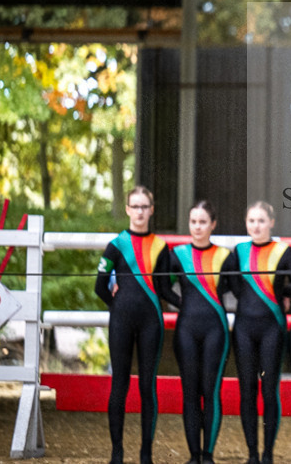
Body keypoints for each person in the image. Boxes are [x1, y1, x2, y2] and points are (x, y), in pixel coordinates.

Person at [95, 186, 179, 464]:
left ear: (151, 210)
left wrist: (189, 302)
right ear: (128, 209)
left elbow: (165, 290)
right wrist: (117, 305)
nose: (140, 211)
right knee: (119, 384)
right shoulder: (116, 245)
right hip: (121, 321)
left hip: (150, 323)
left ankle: (146, 455)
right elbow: (99, 286)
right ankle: (116, 453)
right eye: (136, 206)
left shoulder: (161, 247)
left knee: (147, 386)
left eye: (145, 206)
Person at [222, 201, 291, 464]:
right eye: (251, 221)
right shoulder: (238, 251)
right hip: (243, 328)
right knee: (247, 391)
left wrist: (285, 295)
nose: (256, 226)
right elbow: (229, 284)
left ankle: (267, 454)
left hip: (272, 330)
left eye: (261, 221)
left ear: (271, 223)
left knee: (269, 391)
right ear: (246, 224)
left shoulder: (284, 251)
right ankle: (252, 454)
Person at [170, 200, 231, 464]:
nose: (197, 227)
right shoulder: (177, 254)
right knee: (190, 391)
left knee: (210, 390)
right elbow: (160, 286)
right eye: (193, 222)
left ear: (213, 225)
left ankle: (208, 455)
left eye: (203, 222)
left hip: (215, 330)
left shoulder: (224, 256)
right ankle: (194, 455)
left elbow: (238, 287)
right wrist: (182, 303)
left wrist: (284, 295)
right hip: (185, 330)